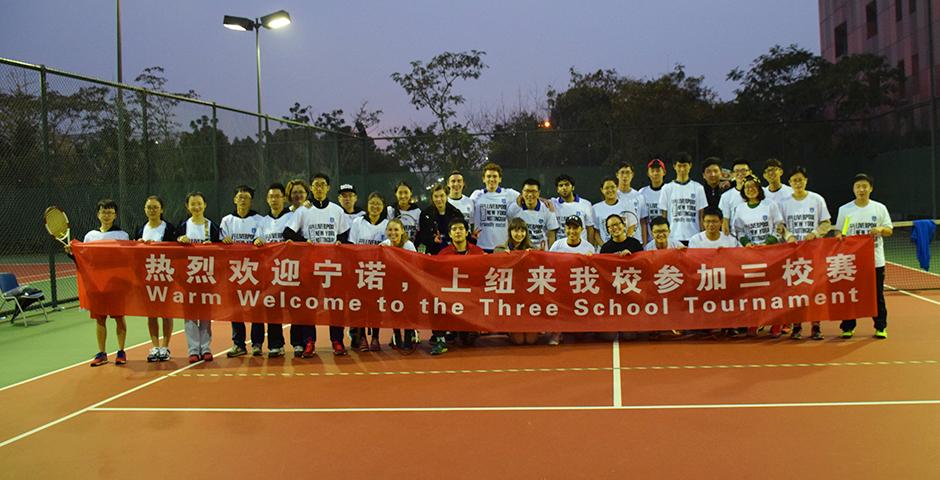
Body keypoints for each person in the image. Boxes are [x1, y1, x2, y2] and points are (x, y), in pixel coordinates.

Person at [286, 172, 351, 356]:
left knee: (335, 304)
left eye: (323, 184)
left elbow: (345, 236)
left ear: (328, 187)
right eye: (316, 185)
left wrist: (340, 242)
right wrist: (304, 241)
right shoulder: (303, 210)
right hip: (310, 266)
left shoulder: (337, 210)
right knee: (309, 304)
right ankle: (309, 341)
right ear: (311, 188)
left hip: (332, 266)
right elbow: (288, 233)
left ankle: (337, 340)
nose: (319, 188)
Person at [68, 199, 131, 367]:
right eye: (103, 212)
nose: (106, 215)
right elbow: (84, 259)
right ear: (98, 214)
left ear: (115, 215)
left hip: (116, 284)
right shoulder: (90, 236)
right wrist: (72, 253)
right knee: (100, 319)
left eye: (110, 212)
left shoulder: (122, 236)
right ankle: (102, 353)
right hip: (97, 285)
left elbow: (127, 260)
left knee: (119, 318)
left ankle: (121, 351)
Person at [834, 173, 892, 339]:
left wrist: (880, 230)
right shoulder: (844, 210)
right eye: (858, 186)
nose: (861, 189)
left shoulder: (879, 208)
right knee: (850, 294)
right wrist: (839, 236)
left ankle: (880, 327)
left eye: (864, 186)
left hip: (875, 261)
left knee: (877, 296)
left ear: (871, 189)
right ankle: (848, 327)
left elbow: (889, 230)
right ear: (853, 189)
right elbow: (839, 231)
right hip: (851, 262)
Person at [778, 167, 831, 341]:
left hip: (814, 253)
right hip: (793, 254)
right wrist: (788, 235)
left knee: (815, 290)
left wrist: (815, 234)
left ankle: (816, 327)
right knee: (795, 291)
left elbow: (826, 223)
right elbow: (780, 226)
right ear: (790, 183)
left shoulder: (817, 199)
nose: (797, 183)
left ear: (806, 180)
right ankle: (797, 326)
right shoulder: (784, 202)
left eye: (800, 180)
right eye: (794, 180)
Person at [177, 192, 221, 363]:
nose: (196, 207)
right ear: (187, 206)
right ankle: (193, 349)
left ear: (205, 205)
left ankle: (206, 348)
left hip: (207, 277)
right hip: (187, 278)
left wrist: (215, 245)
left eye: (199, 204)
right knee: (189, 315)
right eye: (193, 204)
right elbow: (172, 250)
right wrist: (180, 240)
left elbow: (222, 250)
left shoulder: (212, 226)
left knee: (204, 314)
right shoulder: (182, 227)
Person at [221, 185, 264, 358]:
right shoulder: (227, 221)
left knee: (256, 308)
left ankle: (257, 343)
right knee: (236, 308)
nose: (243, 200)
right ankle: (238, 343)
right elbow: (220, 245)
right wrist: (224, 240)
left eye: (246, 197)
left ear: (251, 200)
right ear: (234, 199)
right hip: (234, 272)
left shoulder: (259, 220)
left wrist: (260, 240)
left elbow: (262, 241)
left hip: (254, 272)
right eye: (240, 197)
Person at [432, 218, 486, 355]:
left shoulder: (478, 252)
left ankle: (458, 331)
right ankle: (440, 338)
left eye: (461, 229)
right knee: (435, 301)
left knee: (468, 341)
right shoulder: (444, 254)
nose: (458, 232)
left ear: (467, 232)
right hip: (450, 296)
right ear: (449, 234)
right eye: (454, 229)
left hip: (471, 298)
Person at [252, 183, 293, 357]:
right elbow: (257, 242)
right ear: (267, 199)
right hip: (270, 272)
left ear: (284, 198)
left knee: (295, 307)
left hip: (291, 270)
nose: (275, 200)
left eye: (278, 196)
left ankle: (298, 343)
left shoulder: (292, 217)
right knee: (272, 308)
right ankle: (276, 344)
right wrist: (257, 242)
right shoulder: (263, 221)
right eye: (271, 197)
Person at [347, 192, 389, 352]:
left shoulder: (386, 224)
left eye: (378, 203)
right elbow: (351, 246)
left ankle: (376, 337)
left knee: (375, 306)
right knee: (359, 306)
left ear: (383, 206)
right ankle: (361, 336)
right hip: (360, 271)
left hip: (378, 271)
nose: (375, 206)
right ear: (367, 205)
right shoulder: (358, 222)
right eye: (372, 203)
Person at [136, 195, 176, 362]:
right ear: (145, 210)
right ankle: (155, 346)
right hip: (147, 277)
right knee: (151, 313)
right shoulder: (140, 229)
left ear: (162, 209)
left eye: (155, 207)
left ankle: (165, 347)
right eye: (149, 207)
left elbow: (175, 252)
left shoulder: (170, 228)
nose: (152, 210)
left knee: (166, 313)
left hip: (165, 276)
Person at [547, 216, 595, 345]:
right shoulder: (557, 245)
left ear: (581, 229)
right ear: (565, 228)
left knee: (580, 335)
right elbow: (549, 264)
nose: (572, 231)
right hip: (561, 286)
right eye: (569, 228)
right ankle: (557, 332)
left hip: (580, 287)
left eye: (575, 228)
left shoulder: (589, 247)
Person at [378, 219, 419, 354]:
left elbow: (414, 265)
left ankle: (408, 336)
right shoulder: (383, 245)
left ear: (402, 231)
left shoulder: (408, 245)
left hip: (407, 284)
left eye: (396, 229)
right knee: (394, 310)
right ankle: (396, 336)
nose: (393, 233)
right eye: (390, 230)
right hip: (390, 284)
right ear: (386, 232)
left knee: (406, 311)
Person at [284, 178, 311, 357]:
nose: (298, 195)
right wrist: (302, 242)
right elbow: (287, 235)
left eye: (301, 192)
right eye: (294, 192)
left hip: (309, 265)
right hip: (289, 267)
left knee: (308, 305)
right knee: (294, 305)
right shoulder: (286, 214)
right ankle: (296, 343)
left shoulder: (311, 211)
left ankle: (308, 340)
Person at [658, 153, 706, 245]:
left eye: (685, 166)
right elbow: (664, 216)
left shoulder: (698, 188)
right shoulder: (667, 188)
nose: (682, 169)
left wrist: (702, 237)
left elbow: (701, 217)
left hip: (694, 237)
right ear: (674, 166)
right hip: (673, 237)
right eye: (679, 166)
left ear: (690, 166)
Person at [471, 162, 520, 252]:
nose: (492, 179)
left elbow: (528, 197)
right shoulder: (476, 194)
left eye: (495, 176)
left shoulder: (509, 194)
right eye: (488, 176)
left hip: (501, 248)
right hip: (480, 247)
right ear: (483, 179)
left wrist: (544, 200)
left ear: (500, 179)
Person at [730, 175, 784, 247]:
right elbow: (739, 231)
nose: (750, 189)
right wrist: (746, 243)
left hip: (770, 248)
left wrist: (767, 242)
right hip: (751, 251)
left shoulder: (770, 204)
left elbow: (779, 226)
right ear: (743, 191)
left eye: (753, 186)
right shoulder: (740, 208)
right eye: (747, 187)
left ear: (759, 188)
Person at [507, 178, 559, 250]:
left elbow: (551, 234)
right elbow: (509, 230)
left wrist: (551, 253)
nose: (530, 194)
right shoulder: (514, 208)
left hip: (540, 252)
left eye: (533, 191)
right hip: (520, 251)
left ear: (538, 193)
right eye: (527, 191)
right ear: (522, 192)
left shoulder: (547, 208)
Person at [418, 184, 465, 255]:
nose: (439, 199)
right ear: (432, 198)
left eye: (442, 196)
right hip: (433, 253)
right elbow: (422, 236)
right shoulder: (425, 214)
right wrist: (433, 240)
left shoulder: (456, 213)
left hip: (453, 253)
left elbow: (462, 233)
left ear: (446, 196)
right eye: (436, 196)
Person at [553, 174, 597, 246]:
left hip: (581, 248)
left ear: (573, 187)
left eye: (567, 185)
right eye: (561, 185)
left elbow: (590, 229)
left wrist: (590, 247)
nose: (564, 188)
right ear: (557, 189)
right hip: (561, 249)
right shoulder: (552, 203)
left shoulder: (586, 204)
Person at [593, 176, 637, 246]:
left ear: (617, 188)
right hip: (606, 249)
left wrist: (625, 243)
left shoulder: (628, 205)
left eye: (612, 187)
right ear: (602, 190)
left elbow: (632, 226)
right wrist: (604, 246)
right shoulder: (595, 208)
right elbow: (596, 231)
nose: (610, 190)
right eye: (607, 188)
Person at [615, 162, 649, 244]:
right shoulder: (613, 196)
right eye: (622, 172)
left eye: (627, 172)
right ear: (617, 175)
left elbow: (643, 222)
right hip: (617, 241)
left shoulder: (639, 196)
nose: (625, 176)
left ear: (632, 175)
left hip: (636, 241)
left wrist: (644, 243)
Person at [719, 158, 753, 234]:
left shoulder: (761, 192)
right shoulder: (726, 196)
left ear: (750, 172)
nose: (740, 174)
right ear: (732, 174)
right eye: (737, 171)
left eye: (744, 170)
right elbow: (725, 223)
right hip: (736, 240)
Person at [639, 158, 667, 222]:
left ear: (664, 172)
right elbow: (642, 219)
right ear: (648, 174)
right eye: (652, 171)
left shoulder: (670, 190)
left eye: (658, 170)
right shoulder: (642, 193)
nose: (655, 173)